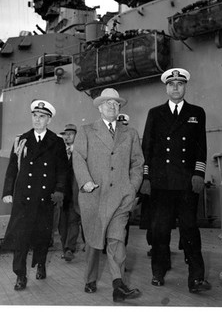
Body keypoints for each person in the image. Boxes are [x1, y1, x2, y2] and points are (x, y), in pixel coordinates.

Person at [140, 68, 211, 293]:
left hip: (186, 184)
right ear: (166, 88)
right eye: (171, 84)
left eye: (180, 83)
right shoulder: (155, 113)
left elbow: (201, 147)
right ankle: (158, 272)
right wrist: (146, 177)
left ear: (185, 86)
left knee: (190, 229)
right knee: (160, 230)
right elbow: (147, 149)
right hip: (161, 184)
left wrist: (199, 174)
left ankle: (197, 278)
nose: (176, 87)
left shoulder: (197, 113)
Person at [72, 88, 144, 303]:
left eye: (115, 104)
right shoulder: (86, 131)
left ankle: (118, 285)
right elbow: (78, 158)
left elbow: (138, 163)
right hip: (94, 195)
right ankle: (90, 278)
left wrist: (132, 187)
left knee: (117, 239)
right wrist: (85, 182)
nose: (112, 106)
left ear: (119, 107)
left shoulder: (130, 134)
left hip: (121, 196)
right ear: (100, 107)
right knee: (94, 241)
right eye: (107, 103)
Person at [2, 99, 68, 291]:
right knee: (20, 238)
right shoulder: (21, 140)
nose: (37, 120)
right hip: (24, 198)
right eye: (35, 116)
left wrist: (59, 191)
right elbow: (12, 168)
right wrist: (7, 192)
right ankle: (20, 275)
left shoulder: (56, 142)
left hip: (44, 198)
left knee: (41, 236)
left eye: (42, 117)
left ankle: (40, 264)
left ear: (48, 120)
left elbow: (63, 170)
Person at [58, 123, 83, 261]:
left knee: (73, 221)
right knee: (62, 224)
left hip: (75, 193)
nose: (67, 136)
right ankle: (65, 248)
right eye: (65, 134)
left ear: (76, 136)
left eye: (70, 134)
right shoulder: (60, 151)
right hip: (62, 194)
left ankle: (69, 249)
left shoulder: (80, 152)